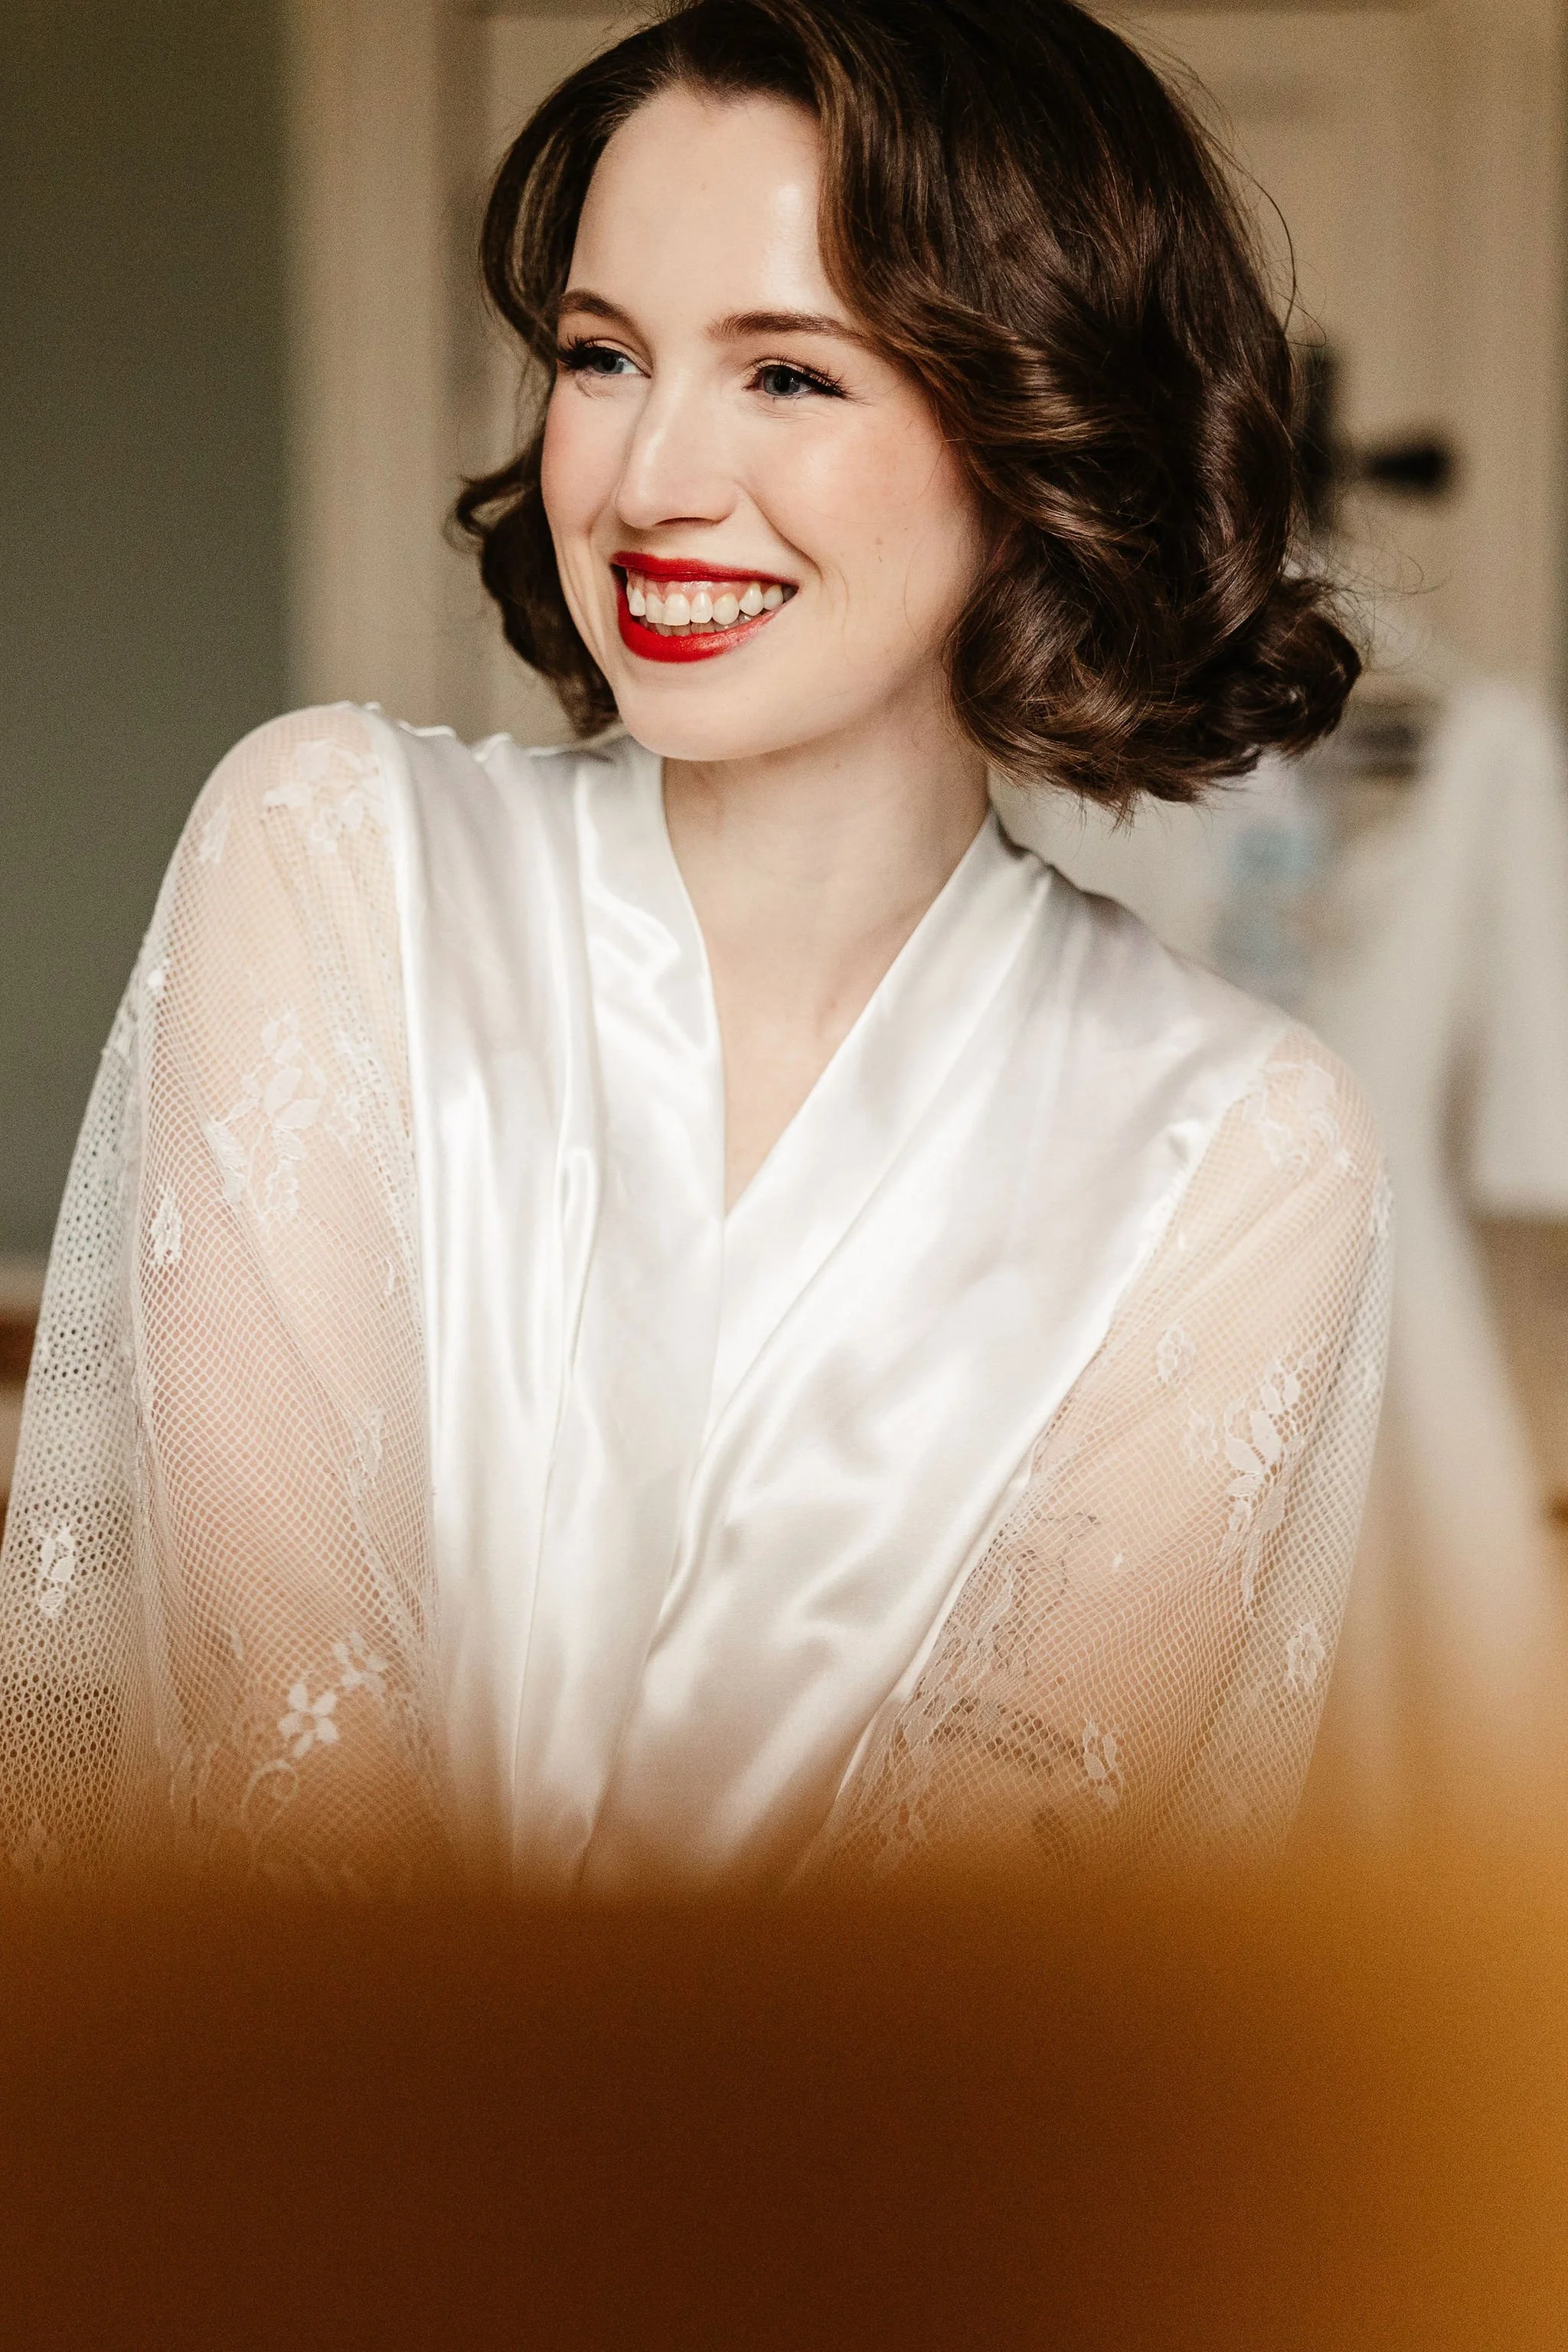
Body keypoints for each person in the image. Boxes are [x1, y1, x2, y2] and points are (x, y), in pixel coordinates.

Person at [0, 0, 1388, 1894]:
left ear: (1043, 426)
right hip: (299, 2166)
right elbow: (280, 1778)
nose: (648, 477)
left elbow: (983, 1940)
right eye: (600, 356)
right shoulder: (326, 849)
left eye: (789, 376)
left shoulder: (1235, 1143)